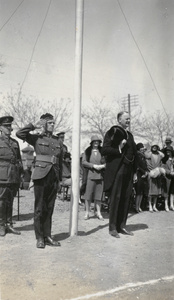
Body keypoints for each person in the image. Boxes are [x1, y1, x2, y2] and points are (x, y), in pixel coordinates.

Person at [16, 113, 63, 248]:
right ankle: (40, 237)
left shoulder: (57, 141)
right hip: (41, 175)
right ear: (44, 124)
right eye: (49, 123)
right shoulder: (36, 138)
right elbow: (19, 133)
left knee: (50, 208)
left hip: (53, 176)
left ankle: (48, 235)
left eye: (53, 123)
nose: (52, 125)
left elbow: (59, 161)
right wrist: (33, 126)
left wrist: (59, 180)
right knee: (39, 208)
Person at [102, 111, 137, 238]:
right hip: (118, 169)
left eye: (129, 119)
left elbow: (135, 153)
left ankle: (121, 226)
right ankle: (112, 228)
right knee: (116, 198)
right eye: (126, 119)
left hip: (129, 170)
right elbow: (104, 150)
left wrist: (135, 172)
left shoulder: (130, 135)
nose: (128, 121)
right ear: (119, 120)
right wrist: (119, 148)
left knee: (126, 198)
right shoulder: (113, 131)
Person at [0, 116, 22, 236]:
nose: (9, 128)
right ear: (0, 128)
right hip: (2, 175)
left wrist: (21, 173)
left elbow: (19, 159)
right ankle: (1, 225)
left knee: (10, 200)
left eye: (10, 126)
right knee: (2, 201)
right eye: (6, 126)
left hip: (14, 175)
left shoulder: (15, 143)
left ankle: (9, 224)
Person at [82, 135, 106, 221]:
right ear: (91, 143)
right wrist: (93, 166)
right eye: (94, 141)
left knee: (98, 196)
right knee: (88, 195)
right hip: (90, 176)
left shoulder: (102, 151)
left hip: (100, 176)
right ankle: (87, 212)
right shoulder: (87, 152)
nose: (96, 143)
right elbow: (84, 162)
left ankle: (98, 212)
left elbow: (108, 161)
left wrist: (103, 166)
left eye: (98, 142)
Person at [145, 143, 165, 212]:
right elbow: (147, 164)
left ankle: (154, 206)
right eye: (153, 147)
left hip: (158, 175)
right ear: (151, 147)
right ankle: (150, 205)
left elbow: (161, 164)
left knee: (156, 192)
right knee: (150, 191)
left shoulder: (159, 155)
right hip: (151, 174)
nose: (154, 148)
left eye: (156, 147)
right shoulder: (149, 155)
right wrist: (152, 171)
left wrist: (159, 171)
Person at [135, 143, 149, 213]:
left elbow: (145, 166)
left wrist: (146, 172)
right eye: (142, 147)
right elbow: (137, 166)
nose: (143, 148)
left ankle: (139, 206)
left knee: (141, 192)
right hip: (138, 175)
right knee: (138, 192)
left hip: (143, 175)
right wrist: (144, 172)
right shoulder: (137, 156)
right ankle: (136, 207)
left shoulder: (143, 156)